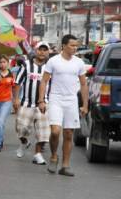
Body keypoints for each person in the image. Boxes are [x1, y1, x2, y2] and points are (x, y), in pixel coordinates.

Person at [38, 34, 88, 177]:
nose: (75, 48)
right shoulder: (53, 61)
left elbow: (84, 84)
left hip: (71, 100)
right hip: (56, 99)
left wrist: (85, 105)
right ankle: (54, 155)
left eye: (76, 45)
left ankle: (65, 166)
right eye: (72, 45)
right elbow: (44, 81)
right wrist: (41, 100)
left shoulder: (79, 62)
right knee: (55, 131)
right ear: (64, 46)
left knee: (68, 134)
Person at [13, 42, 51, 165]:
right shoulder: (26, 65)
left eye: (45, 50)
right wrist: (16, 99)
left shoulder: (50, 67)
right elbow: (18, 82)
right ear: (35, 50)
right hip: (27, 102)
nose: (42, 52)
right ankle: (24, 143)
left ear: (48, 52)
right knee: (20, 127)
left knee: (43, 132)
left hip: (43, 104)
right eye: (40, 49)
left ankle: (38, 154)